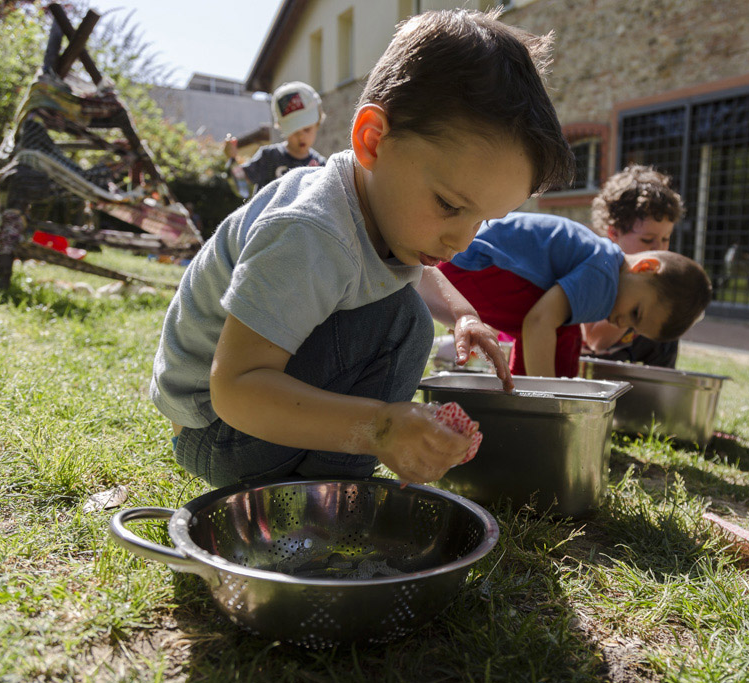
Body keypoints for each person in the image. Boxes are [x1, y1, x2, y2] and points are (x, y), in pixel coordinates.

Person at [150, 9, 574, 489]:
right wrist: (380, 427)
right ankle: (337, 490)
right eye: (450, 205)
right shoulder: (308, 230)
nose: (462, 239)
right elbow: (235, 389)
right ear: (374, 140)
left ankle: (331, 491)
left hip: (253, 421)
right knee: (402, 322)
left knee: (403, 311)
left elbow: (406, 268)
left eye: (483, 220)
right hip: (218, 430)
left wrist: (462, 315)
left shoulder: (384, 213)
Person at [437, 211, 712, 378]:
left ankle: (523, 396)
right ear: (646, 268)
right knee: (560, 331)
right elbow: (538, 322)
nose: (621, 323)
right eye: (635, 313)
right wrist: (547, 397)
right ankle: (545, 404)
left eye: (632, 325)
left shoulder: (603, 259)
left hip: (463, 260)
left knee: (563, 329)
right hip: (474, 266)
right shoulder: (606, 276)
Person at [581, 164, 686, 368]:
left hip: (632, 348)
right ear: (614, 233)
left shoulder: (655, 270)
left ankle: (657, 387)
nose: (659, 248)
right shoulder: (597, 265)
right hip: (594, 358)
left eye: (666, 238)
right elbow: (595, 341)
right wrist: (640, 305)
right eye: (648, 240)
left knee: (667, 331)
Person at [223, 81, 328, 197]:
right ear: (281, 128)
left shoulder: (321, 165)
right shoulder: (269, 157)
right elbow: (242, 188)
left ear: (317, 124)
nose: (301, 136)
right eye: (294, 131)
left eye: (307, 129)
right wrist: (232, 159)